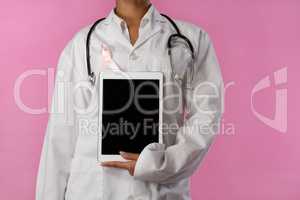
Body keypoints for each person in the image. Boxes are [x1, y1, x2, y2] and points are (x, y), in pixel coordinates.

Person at [36, 0, 224, 199]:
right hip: (91, 190)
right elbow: (60, 138)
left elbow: (206, 117)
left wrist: (163, 163)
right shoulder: (81, 44)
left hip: (160, 192)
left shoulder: (191, 40)